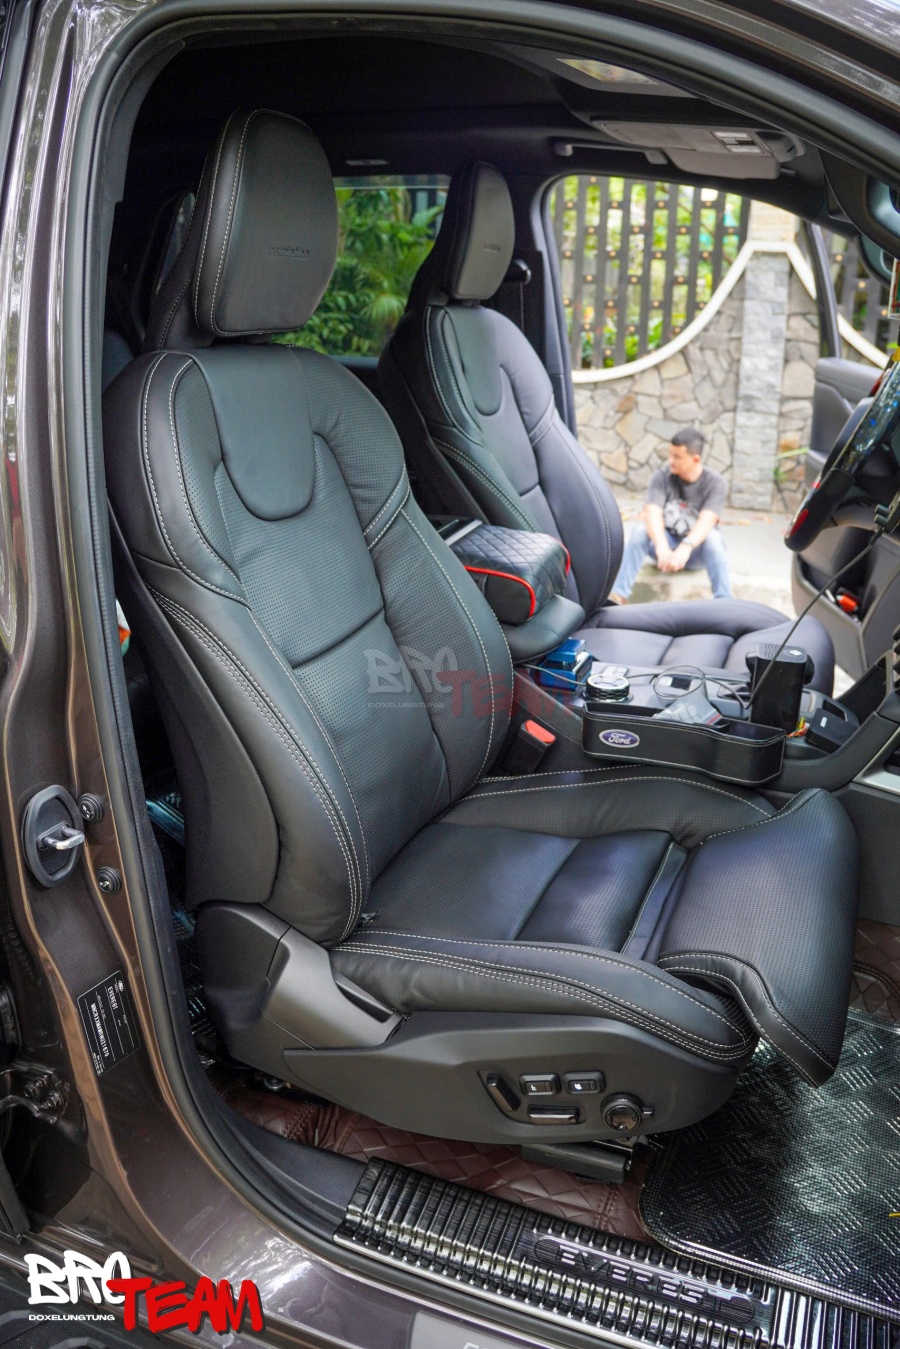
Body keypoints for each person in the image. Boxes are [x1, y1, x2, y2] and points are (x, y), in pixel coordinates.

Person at [609, 428, 732, 602]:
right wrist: (661, 547)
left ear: (695, 459)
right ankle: (618, 596)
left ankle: (724, 601)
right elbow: (652, 512)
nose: (670, 461)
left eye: (677, 457)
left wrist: (685, 548)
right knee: (639, 531)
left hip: (695, 552)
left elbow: (708, 520)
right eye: (670, 455)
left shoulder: (715, 482)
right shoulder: (661, 476)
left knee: (713, 538)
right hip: (664, 549)